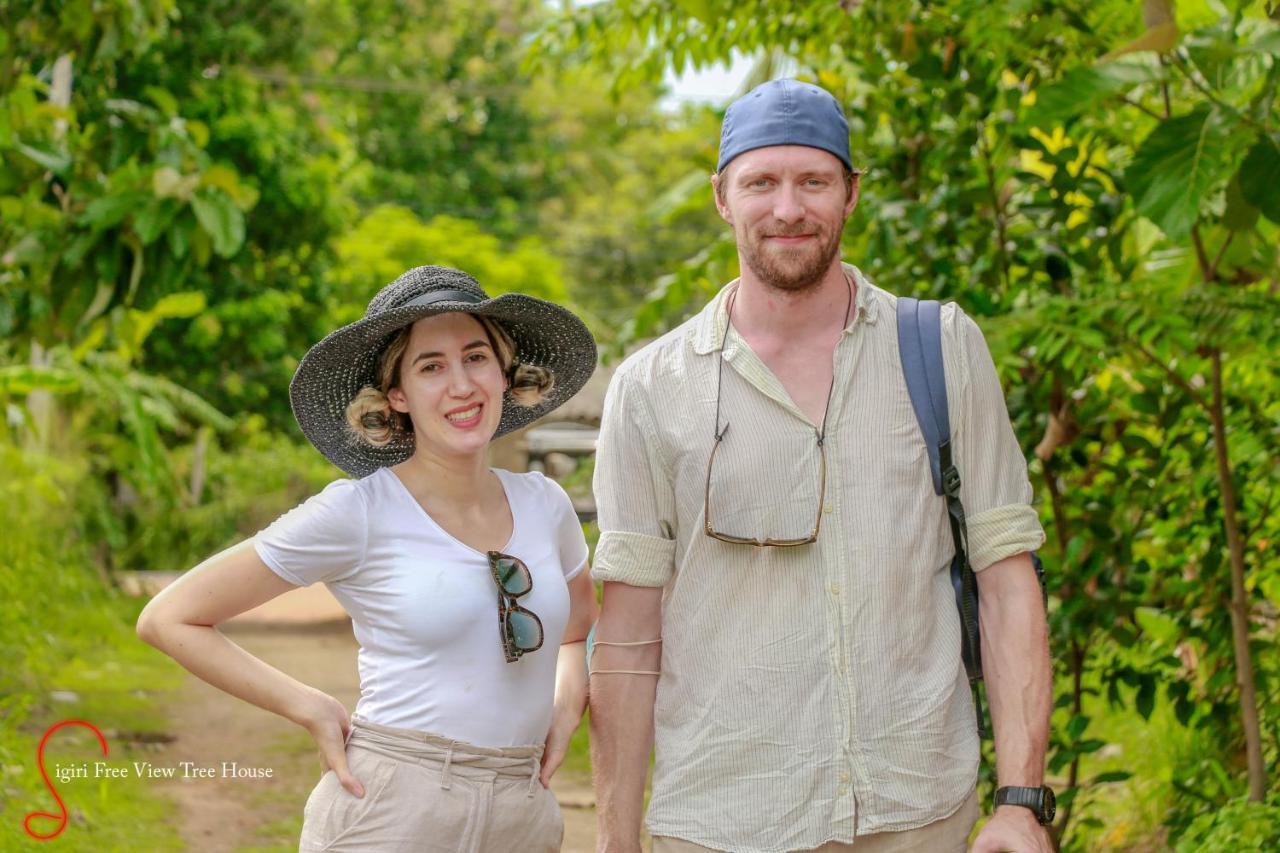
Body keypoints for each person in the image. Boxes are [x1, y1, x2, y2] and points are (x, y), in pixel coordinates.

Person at [589, 79, 1053, 853]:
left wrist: (1019, 800)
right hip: (719, 821)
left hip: (920, 813)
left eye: (813, 181)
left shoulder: (941, 348)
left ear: (851, 193)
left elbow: (1007, 578)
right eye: (761, 182)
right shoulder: (649, 389)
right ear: (721, 197)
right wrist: (614, 836)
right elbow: (629, 640)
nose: (787, 209)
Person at [137, 265, 600, 852]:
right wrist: (306, 705)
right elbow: (169, 617)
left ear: (504, 374)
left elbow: (577, 630)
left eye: (476, 357)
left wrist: (566, 703)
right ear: (397, 396)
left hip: (523, 812)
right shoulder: (359, 511)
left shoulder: (546, 504)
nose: (461, 384)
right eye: (431, 366)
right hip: (394, 805)